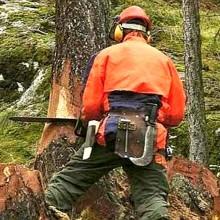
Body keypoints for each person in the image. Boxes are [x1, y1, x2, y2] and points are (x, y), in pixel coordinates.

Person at [45, 5, 186, 220]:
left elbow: (91, 105)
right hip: (148, 138)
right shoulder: (164, 61)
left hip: (110, 133)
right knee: (152, 199)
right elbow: (176, 114)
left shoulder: (106, 56)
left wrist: (90, 122)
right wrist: (155, 120)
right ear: (146, 32)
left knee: (67, 183)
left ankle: (41, 210)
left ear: (119, 30)